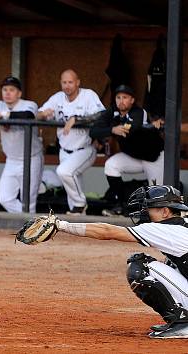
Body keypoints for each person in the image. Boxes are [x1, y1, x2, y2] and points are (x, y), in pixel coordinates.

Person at [50, 185, 188, 339]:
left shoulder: (162, 229)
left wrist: (61, 225)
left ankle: (183, 323)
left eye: (149, 208)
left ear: (165, 211)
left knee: (141, 266)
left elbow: (107, 231)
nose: (144, 213)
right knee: (170, 263)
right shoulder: (182, 224)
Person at [37, 69, 105, 215]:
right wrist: (43, 114)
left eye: (70, 82)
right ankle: (78, 220)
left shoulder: (88, 95)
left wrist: (77, 119)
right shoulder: (57, 98)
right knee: (71, 190)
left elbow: (102, 115)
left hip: (85, 149)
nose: (67, 85)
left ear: (78, 82)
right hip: (64, 150)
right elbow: (38, 113)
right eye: (64, 82)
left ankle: (81, 205)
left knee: (64, 172)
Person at [90, 85, 164, 217]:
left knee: (157, 196)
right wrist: (112, 129)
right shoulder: (112, 111)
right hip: (133, 157)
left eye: (125, 97)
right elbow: (93, 130)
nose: (121, 100)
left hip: (153, 157)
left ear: (132, 100)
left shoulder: (139, 112)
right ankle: (121, 205)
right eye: (118, 97)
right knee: (111, 165)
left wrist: (114, 127)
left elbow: (131, 129)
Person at [0, 76, 43, 213]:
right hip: (11, 160)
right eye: (5, 89)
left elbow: (28, 115)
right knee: (5, 198)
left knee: (28, 201)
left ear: (19, 93)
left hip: (31, 159)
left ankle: (31, 228)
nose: (7, 93)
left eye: (12, 90)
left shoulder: (28, 104)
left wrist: (3, 115)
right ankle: (33, 221)